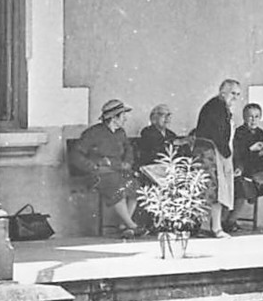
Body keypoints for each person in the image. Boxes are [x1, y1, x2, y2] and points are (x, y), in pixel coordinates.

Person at [71, 99, 141, 237]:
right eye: (123, 115)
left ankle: (124, 224)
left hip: (118, 171)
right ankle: (132, 225)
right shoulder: (93, 133)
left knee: (136, 188)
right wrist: (93, 166)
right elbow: (76, 155)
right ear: (114, 118)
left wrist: (128, 162)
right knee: (116, 187)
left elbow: (129, 150)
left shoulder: (120, 133)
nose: (125, 118)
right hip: (98, 175)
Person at [193, 80, 242, 237]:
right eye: (233, 93)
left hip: (213, 151)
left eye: (238, 94)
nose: (235, 97)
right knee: (214, 190)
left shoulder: (220, 106)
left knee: (214, 190)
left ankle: (212, 226)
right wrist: (226, 155)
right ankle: (214, 228)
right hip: (209, 152)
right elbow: (218, 134)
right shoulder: (217, 107)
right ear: (223, 92)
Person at [135, 104, 184, 178]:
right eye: (163, 115)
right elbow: (156, 147)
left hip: (169, 169)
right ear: (153, 118)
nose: (167, 118)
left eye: (168, 115)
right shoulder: (147, 132)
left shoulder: (171, 134)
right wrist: (174, 143)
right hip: (152, 169)